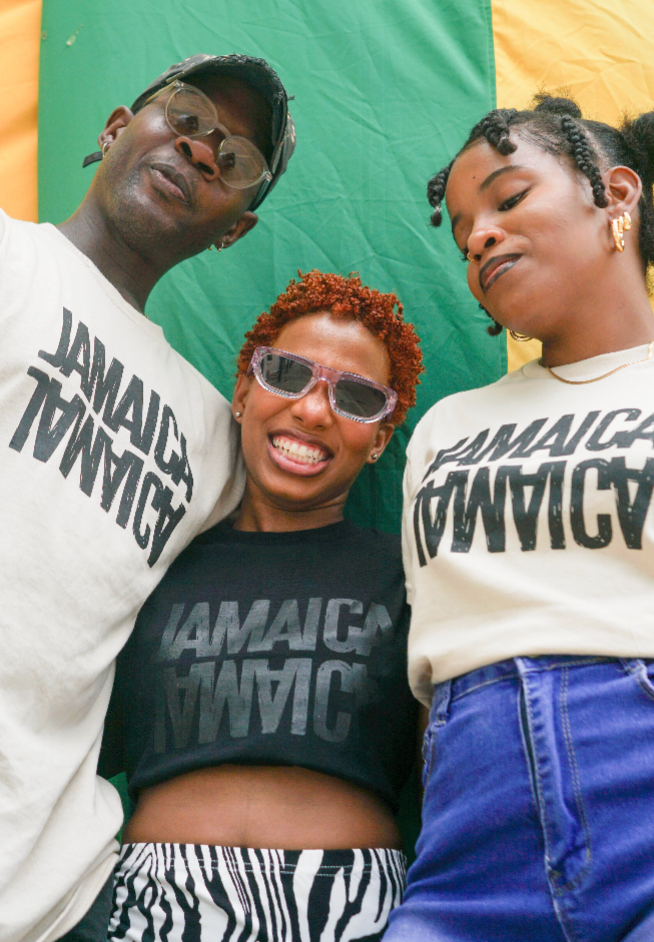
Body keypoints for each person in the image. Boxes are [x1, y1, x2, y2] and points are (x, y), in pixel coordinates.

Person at [0, 52, 295, 942]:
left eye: (235, 159)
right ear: (118, 126)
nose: (201, 150)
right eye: (185, 116)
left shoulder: (215, 440)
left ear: (235, 228)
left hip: (57, 893)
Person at [384, 95, 654, 941]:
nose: (479, 238)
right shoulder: (446, 428)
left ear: (617, 194)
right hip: (470, 851)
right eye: (463, 232)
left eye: (509, 198)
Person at [99, 270, 424, 942]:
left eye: (357, 397)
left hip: (349, 908)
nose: (313, 410)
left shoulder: (411, 577)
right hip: (159, 907)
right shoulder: (146, 564)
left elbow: (455, 776)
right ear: (244, 392)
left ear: (380, 439)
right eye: (287, 373)